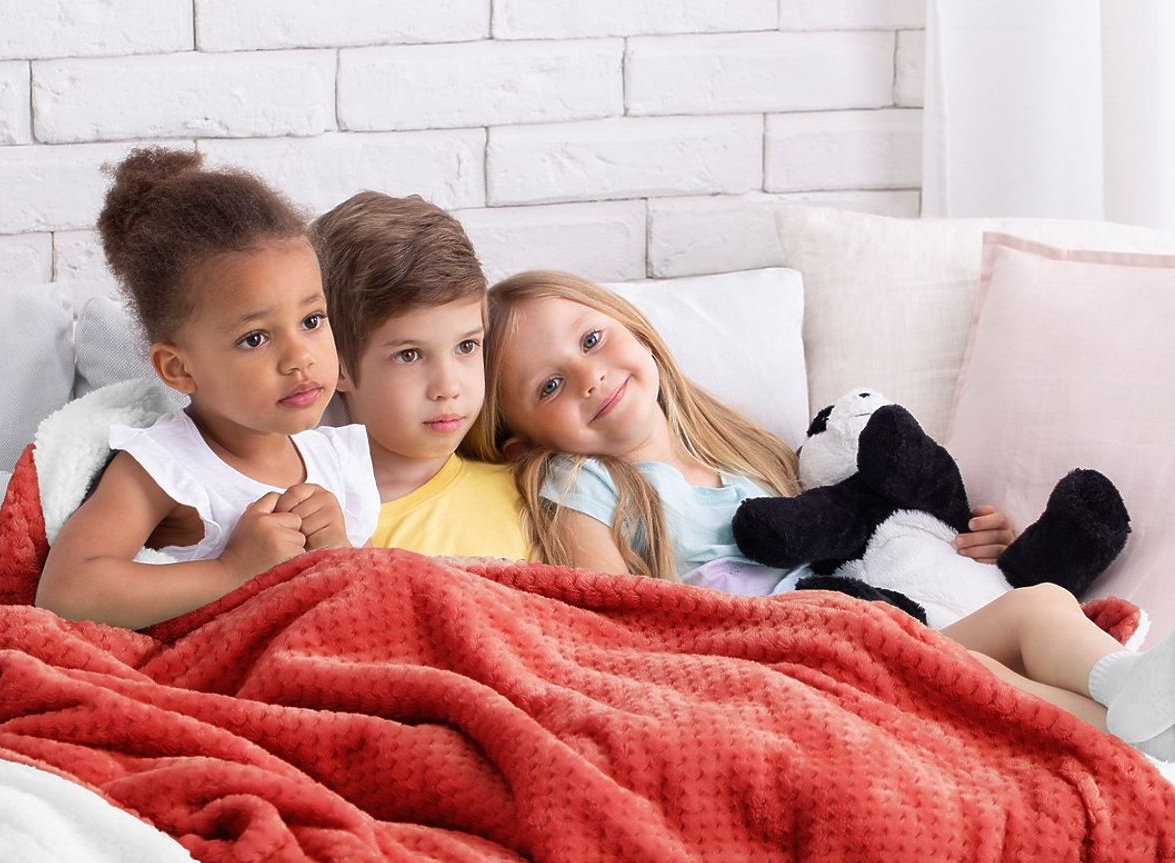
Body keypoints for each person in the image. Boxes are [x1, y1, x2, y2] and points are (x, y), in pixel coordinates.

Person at [468, 269, 1175, 761]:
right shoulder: (581, 483)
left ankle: (1134, 696)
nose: (589, 375)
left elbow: (862, 524)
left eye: (592, 340)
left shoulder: (741, 449)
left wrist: (977, 542)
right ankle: (1131, 748)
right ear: (524, 440)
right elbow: (613, 622)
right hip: (792, 668)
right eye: (550, 385)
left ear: (637, 333)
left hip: (874, 626)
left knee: (1040, 603)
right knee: (994, 681)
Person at [34, 147, 380, 630]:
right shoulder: (163, 465)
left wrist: (336, 550)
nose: (299, 357)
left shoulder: (334, 458)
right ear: (179, 369)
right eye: (254, 338)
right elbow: (65, 592)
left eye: (311, 320)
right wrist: (230, 570)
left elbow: (360, 606)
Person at [310, 192, 530, 560]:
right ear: (339, 365)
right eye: (409, 355)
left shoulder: (529, 491)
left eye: (466, 346)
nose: (448, 387)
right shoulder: (319, 526)